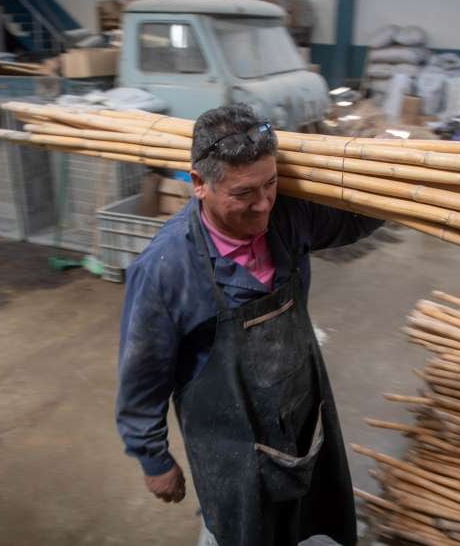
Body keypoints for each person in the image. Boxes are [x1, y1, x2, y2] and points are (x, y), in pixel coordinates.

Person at [116, 104, 383, 546]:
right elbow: (142, 375)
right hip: (228, 445)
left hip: (300, 414)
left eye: (271, 184)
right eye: (243, 194)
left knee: (307, 519)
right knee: (240, 533)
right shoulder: (167, 268)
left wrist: (391, 178)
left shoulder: (288, 217)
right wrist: (153, 458)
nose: (263, 206)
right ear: (198, 184)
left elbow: (352, 222)